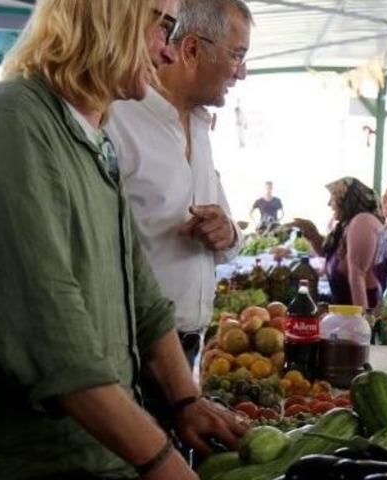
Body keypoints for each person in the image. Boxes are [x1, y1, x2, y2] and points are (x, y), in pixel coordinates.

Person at [0, 1, 246, 478]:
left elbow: (142, 293)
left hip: (92, 453)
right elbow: (52, 341)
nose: (167, 51)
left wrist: (186, 399)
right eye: (163, 27)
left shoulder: (94, 138)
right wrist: (165, 463)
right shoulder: (8, 122)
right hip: (21, 460)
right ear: (108, 15)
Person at [107, 0, 251, 374]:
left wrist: (226, 232)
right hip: (130, 349)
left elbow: (232, 237)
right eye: (237, 55)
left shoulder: (200, 125)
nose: (242, 72)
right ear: (191, 50)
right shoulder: (116, 119)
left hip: (187, 348)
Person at [293, 177, 383, 309]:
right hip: (345, 316)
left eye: (333, 196)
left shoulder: (362, 222)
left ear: (346, 199)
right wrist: (312, 233)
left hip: (358, 316)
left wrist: (362, 319)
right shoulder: (345, 225)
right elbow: (329, 253)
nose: (329, 203)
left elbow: (358, 277)